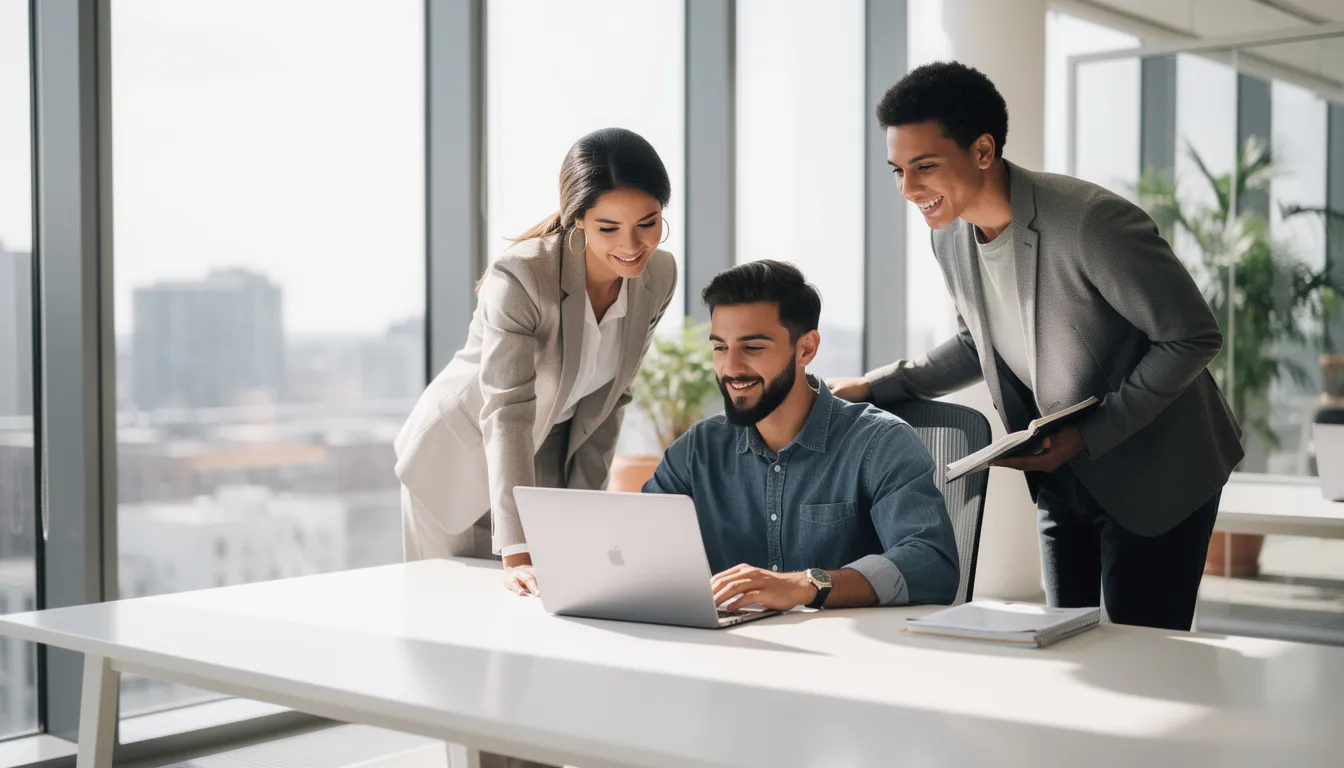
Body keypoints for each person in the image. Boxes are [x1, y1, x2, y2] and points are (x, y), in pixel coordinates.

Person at [828, 61, 1244, 631]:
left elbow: (1192, 336)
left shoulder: (1090, 223)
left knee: (1145, 658)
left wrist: (1092, 433)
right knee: (1061, 643)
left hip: (1157, 474)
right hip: (1064, 476)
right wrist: (875, 385)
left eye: (924, 167)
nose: (907, 189)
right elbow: (981, 341)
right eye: (897, 170)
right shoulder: (949, 238)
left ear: (982, 150)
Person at [395, 127, 679, 598]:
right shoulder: (523, 275)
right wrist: (519, 550)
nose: (633, 245)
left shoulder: (658, 275)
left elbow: (610, 402)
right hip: (460, 459)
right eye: (609, 228)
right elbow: (507, 411)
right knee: (451, 622)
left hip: (545, 455)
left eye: (647, 223)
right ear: (578, 221)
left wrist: (584, 522)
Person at [643, 261, 959, 611]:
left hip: (849, 655)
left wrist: (807, 584)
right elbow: (634, 545)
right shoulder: (697, 450)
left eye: (753, 347)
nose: (730, 368)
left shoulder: (880, 441)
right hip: (731, 651)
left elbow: (931, 564)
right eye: (720, 347)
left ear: (806, 349)